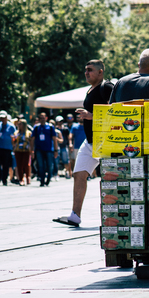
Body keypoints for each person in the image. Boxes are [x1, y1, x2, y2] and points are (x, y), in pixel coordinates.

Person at [53, 59, 113, 227]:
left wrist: (91, 115)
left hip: (106, 142)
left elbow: (116, 111)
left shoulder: (107, 87)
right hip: (90, 142)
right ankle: (75, 215)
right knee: (79, 174)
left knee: (112, 178)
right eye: (85, 70)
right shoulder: (90, 90)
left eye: (90, 70)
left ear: (100, 72)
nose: (86, 73)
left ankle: (116, 215)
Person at [29, 112, 58, 187]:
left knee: (49, 165)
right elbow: (32, 139)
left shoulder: (50, 127)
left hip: (49, 149)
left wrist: (56, 150)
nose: (42, 119)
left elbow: (54, 139)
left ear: (46, 118)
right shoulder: (36, 127)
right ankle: (42, 180)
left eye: (43, 118)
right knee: (40, 165)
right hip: (39, 150)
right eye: (40, 118)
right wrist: (32, 150)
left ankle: (48, 179)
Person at [13, 119, 32, 185]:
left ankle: (27, 177)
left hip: (26, 150)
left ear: (24, 125)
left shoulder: (28, 133)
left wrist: (32, 150)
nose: (19, 125)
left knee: (25, 164)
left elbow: (31, 142)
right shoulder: (16, 133)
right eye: (18, 124)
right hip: (18, 150)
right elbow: (14, 142)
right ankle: (21, 179)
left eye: (20, 124)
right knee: (19, 165)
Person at [0, 110, 16, 186]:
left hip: (7, 148)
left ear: (6, 118)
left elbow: (15, 137)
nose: (2, 119)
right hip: (0, 147)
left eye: (3, 118)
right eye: (1, 118)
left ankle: (4, 179)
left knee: (6, 164)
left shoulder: (11, 126)